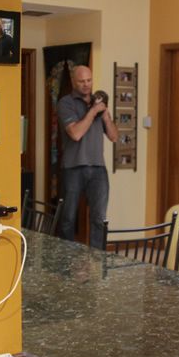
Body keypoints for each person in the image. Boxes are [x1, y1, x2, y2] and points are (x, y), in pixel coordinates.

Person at [56, 64, 119, 248]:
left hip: (98, 168)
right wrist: (93, 111)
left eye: (89, 80)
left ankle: (97, 259)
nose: (86, 85)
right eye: (81, 81)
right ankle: (65, 258)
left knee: (99, 219)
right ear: (73, 82)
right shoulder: (65, 103)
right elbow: (75, 134)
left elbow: (114, 137)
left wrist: (105, 116)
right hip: (73, 168)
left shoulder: (98, 102)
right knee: (68, 218)